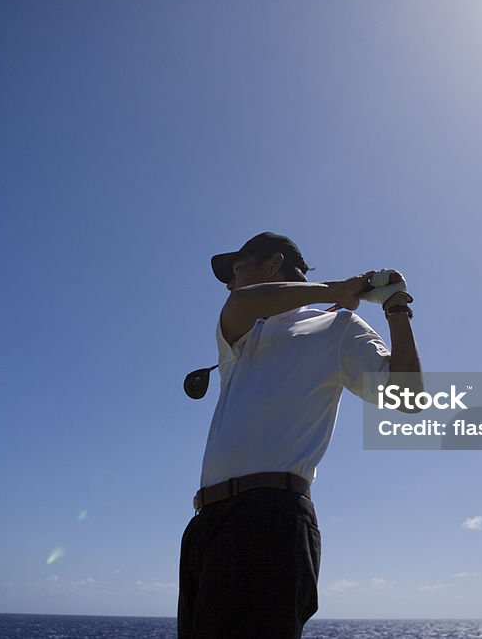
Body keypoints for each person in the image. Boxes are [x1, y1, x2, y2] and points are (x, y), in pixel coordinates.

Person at [178, 232, 421, 639]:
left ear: (273, 265)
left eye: (237, 269)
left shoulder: (340, 327)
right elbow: (239, 302)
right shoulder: (242, 327)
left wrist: (396, 308)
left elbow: (409, 398)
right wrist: (337, 289)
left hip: (270, 516)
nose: (228, 282)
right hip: (205, 524)